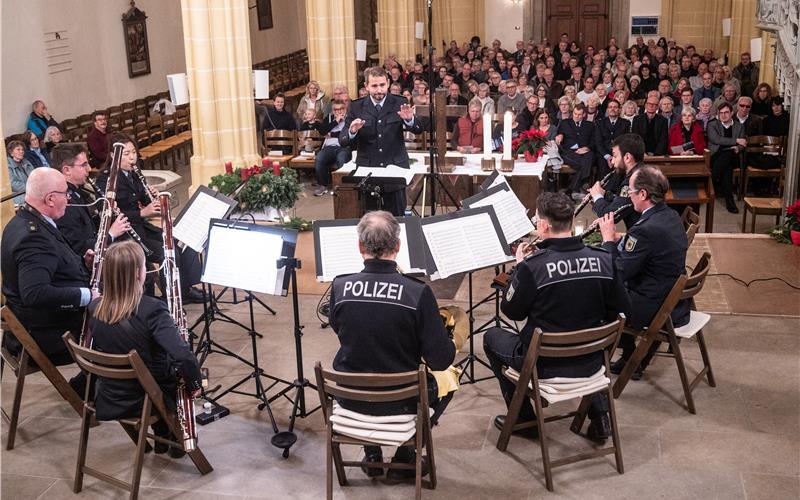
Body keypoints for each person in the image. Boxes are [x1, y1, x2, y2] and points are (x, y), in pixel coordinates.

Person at [484, 192, 628, 443]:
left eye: (536, 218)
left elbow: (512, 311)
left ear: (544, 225)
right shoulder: (603, 259)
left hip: (544, 364)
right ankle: (600, 415)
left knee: (492, 336)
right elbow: (621, 308)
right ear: (571, 222)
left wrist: (519, 267)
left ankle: (525, 420)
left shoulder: (533, 267)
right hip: (592, 361)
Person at [329, 211, 456, 478]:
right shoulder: (417, 292)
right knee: (450, 379)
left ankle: (372, 454)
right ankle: (405, 457)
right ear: (397, 247)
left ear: (360, 247)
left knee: (364, 358)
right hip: (402, 403)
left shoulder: (340, 287)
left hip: (351, 398)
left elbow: (340, 330)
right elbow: (440, 360)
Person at [89, 240, 202, 458]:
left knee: (156, 365)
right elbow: (182, 355)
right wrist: (195, 383)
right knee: (179, 370)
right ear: (137, 275)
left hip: (110, 394)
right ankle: (175, 437)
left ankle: (161, 438)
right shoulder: (152, 309)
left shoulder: (94, 307)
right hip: (147, 396)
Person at [1, 167, 92, 393]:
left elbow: (52, 263)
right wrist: (87, 296)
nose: (69, 198)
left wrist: (82, 263)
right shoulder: (33, 237)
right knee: (125, 326)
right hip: (50, 334)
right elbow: (36, 293)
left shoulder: (23, 219)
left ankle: (94, 387)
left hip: (45, 323)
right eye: (65, 193)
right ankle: (98, 392)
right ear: (51, 198)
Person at [598, 166, 689, 379]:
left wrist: (608, 241)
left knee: (593, 298)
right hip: (670, 298)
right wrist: (626, 240)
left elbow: (619, 272)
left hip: (652, 305)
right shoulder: (670, 215)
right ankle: (632, 356)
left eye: (630, 191)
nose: (628, 196)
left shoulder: (645, 229)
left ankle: (591, 364)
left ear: (643, 194)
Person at [96, 132, 204, 301]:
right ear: (113, 155)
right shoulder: (106, 181)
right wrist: (142, 212)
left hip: (142, 228)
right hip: (125, 235)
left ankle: (184, 289)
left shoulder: (132, 173)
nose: (132, 158)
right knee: (165, 252)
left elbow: (144, 199)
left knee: (178, 241)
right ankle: (171, 298)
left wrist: (152, 196)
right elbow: (109, 215)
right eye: (127, 154)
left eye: (133, 152)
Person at [339, 67, 424, 216]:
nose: (379, 90)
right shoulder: (357, 106)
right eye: (374, 86)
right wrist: (352, 131)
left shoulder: (400, 102)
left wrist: (409, 119)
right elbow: (343, 140)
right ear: (366, 86)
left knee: (397, 220)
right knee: (372, 222)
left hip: (395, 169)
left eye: (382, 85)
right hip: (369, 171)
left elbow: (418, 129)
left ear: (388, 83)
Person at [50, 143, 131, 256]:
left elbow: (92, 227)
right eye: (84, 165)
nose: (89, 169)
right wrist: (111, 234)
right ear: (67, 170)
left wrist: (108, 215)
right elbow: (79, 248)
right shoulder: (65, 204)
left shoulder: (79, 193)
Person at [589, 133, 644, 229]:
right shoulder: (641, 171)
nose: (613, 161)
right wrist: (604, 194)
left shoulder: (634, 181)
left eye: (614, 156)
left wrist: (597, 197)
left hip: (642, 237)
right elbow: (622, 201)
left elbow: (610, 216)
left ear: (627, 157)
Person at [707, 103, 746, 213]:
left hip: (733, 156)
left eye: (726, 112)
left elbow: (743, 143)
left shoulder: (739, 126)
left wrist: (738, 148)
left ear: (732, 113)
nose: (723, 115)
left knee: (728, 155)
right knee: (727, 170)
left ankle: (712, 178)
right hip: (716, 155)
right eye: (721, 113)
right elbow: (716, 139)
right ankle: (730, 203)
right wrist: (736, 141)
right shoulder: (712, 124)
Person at [555, 102, 595, 197]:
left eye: (579, 114)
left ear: (584, 115)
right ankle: (584, 180)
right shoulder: (565, 123)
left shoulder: (590, 125)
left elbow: (594, 141)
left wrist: (587, 148)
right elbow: (559, 133)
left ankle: (570, 191)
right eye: (575, 114)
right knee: (583, 164)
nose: (577, 116)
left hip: (584, 152)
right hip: (568, 152)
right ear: (572, 113)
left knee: (590, 155)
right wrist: (560, 136)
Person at [313, 101, 351, 197]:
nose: (339, 111)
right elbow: (322, 131)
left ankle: (341, 186)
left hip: (343, 147)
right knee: (319, 158)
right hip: (329, 147)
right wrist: (335, 122)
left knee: (341, 159)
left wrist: (332, 134)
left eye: (341, 109)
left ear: (345, 109)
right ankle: (323, 185)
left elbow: (347, 134)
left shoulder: (349, 118)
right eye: (336, 109)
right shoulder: (329, 118)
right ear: (333, 111)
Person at [594, 100, 631, 178]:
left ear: (619, 109)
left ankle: (616, 189)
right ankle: (602, 188)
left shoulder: (626, 123)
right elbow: (598, 143)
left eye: (615, 107)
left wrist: (616, 156)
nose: (612, 109)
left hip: (619, 153)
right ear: (607, 110)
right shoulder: (599, 123)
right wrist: (607, 156)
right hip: (604, 153)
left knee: (620, 166)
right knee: (602, 164)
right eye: (610, 107)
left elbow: (625, 141)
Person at [7, 140, 35, 205]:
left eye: (22, 150)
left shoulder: (26, 162)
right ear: (11, 152)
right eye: (18, 149)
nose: (21, 151)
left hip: (32, 191)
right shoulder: (8, 166)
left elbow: (35, 176)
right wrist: (31, 188)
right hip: (19, 195)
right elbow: (13, 184)